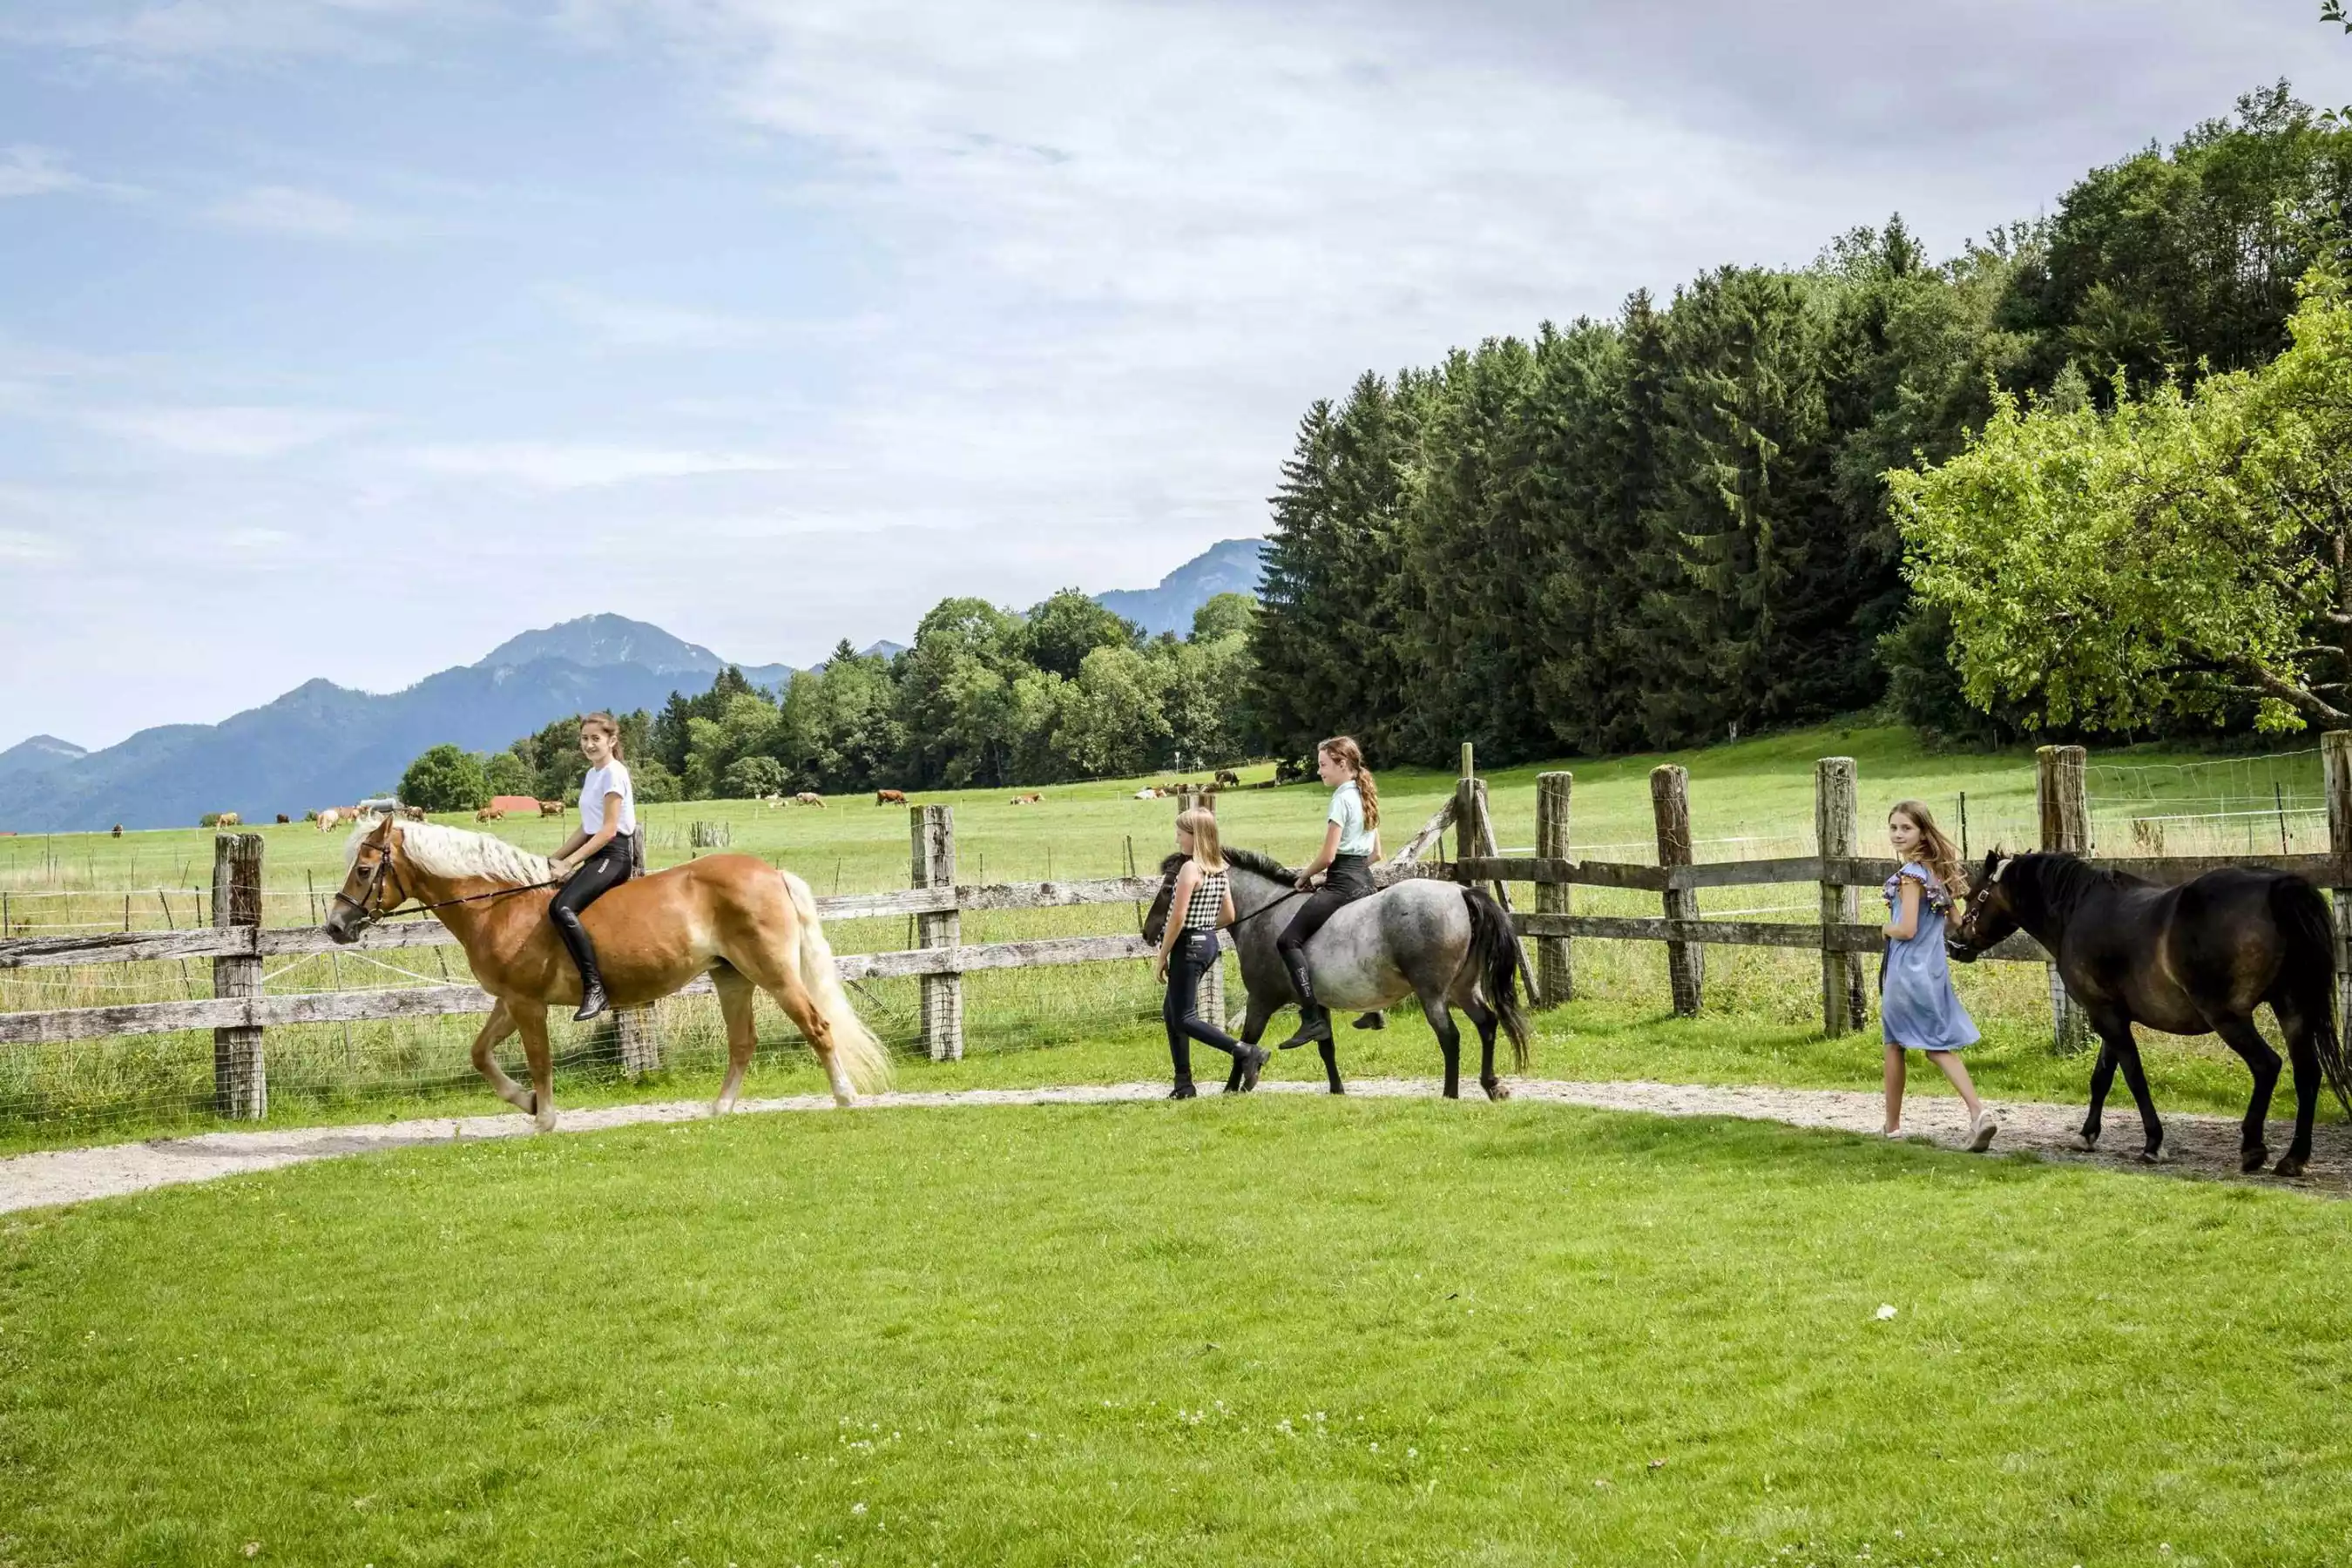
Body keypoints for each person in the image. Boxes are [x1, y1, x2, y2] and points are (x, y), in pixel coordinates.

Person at [1881, 799, 1997, 1151]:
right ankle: (1978, 1113)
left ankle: (1892, 1128)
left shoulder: (1910, 876)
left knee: (1895, 1044)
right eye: (1894, 827)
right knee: (1936, 1045)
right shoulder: (1934, 875)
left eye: (1906, 828)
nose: (1898, 834)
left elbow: (1907, 929)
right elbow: (1957, 922)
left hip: (1905, 972)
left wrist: (1886, 928)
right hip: (1932, 971)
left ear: (1922, 832)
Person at [1275, 735, 1382, 1049]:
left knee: (1287, 940)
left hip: (1343, 884)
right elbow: (1376, 854)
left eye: (1323, 765)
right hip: (1366, 882)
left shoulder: (1341, 798)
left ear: (1342, 763)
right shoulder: (1366, 794)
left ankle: (1312, 1018)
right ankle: (1374, 1009)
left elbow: (1328, 856)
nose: (1319, 771)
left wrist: (1304, 876)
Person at [1153, 808, 1268, 1098]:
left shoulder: (1190, 869)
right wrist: (1204, 925)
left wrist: (1162, 954)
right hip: (1208, 943)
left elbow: (1177, 917)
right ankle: (1183, 1084)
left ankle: (1245, 1052)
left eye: (1181, 833)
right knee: (1172, 1012)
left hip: (1188, 945)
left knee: (1185, 1017)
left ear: (1195, 835)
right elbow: (1229, 915)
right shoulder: (1219, 869)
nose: (1177, 838)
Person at [546, 712, 637, 1022]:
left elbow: (608, 830)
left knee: (561, 908)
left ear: (612, 740)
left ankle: (595, 988)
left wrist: (570, 863)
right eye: (584, 739)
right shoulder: (592, 774)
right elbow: (587, 827)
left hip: (614, 855)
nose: (589, 744)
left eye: (595, 738)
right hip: (596, 854)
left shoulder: (614, 773)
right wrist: (554, 858)